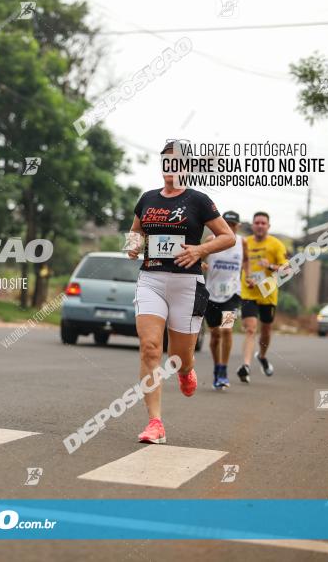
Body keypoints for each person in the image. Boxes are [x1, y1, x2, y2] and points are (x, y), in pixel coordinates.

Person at [127, 139, 235, 444]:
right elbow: (136, 231)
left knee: (178, 357)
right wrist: (133, 246)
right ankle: (155, 423)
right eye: (166, 161)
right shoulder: (147, 198)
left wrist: (200, 249)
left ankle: (187, 369)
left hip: (187, 284)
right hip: (151, 279)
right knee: (150, 348)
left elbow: (227, 237)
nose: (170, 167)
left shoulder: (198, 200)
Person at [237, 211, 289, 383]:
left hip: (268, 294)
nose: (260, 226)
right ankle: (246, 366)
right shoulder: (245, 242)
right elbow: (240, 263)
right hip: (248, 291)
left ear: (268, 226)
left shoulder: (276, 245)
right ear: (252, 226)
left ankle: (263, 356)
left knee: (266, 330)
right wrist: (248, 277)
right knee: (251, 329)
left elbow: (288, 270)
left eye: (263, 223)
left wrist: (271, 266)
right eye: (257, 223)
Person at [201, 211, 248, 389]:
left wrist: (248, 276)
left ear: (239, 226)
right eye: (227, 223)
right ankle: (216, 367)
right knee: (215, 335)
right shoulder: (211, 240)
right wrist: (202, 264)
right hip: (212, 294)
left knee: (227, 330)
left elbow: (247, 262)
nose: (230, 227)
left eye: (233, 225)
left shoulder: (243, 242)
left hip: (232, 294)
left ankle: (223, 370)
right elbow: (198, 257)